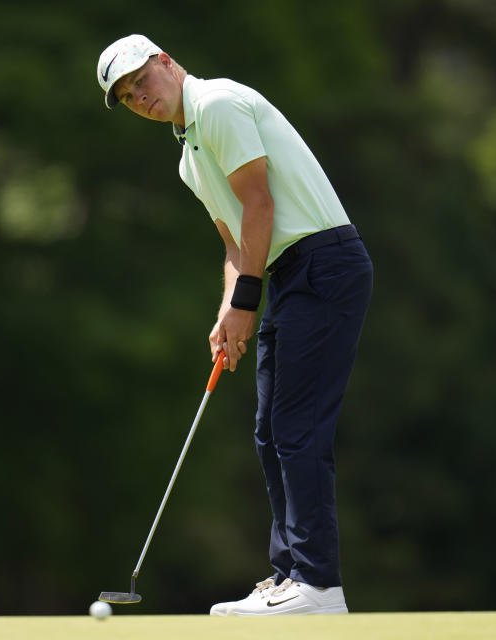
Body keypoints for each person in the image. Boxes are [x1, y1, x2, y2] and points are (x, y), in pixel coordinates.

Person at [96, 34, 373, 616]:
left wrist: (248, 301)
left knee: (297, 427)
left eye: (141, 80)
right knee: (271, 430)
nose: (139, 97)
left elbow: (261, 206)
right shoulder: (188, 155)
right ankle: (291, 576)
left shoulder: (217, 104)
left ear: (167, 63)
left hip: (324, 262)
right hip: (289, 273)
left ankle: (319, 585)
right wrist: (230, 308)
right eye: (125, 96)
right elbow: (234, 242)